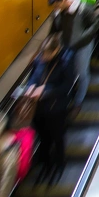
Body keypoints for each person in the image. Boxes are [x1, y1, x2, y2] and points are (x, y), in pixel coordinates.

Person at [26, 34, 76, 185]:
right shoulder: (39, 60)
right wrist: (31, 87)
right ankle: (46, 166)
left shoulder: (65, 60)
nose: (45, 56)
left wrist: (46, 90)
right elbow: (33, 76)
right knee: (43, 139)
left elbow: (67, 86)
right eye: (44, 53)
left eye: (48, 53)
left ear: (56, 51)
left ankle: (60, 164)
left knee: (58, 137)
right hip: (39, 109)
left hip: (56, 109)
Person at [49, 0, 99, 108]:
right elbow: (54, 30)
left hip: (83, 45)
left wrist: (83, 35)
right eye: (54, 6)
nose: (56, 8)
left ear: (65, 0)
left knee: (82, 72)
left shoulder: (82, 8)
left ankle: (78, 101)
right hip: (68, 46)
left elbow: (96, 22)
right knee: (69, 73)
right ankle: (69, 97)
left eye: (57, 5)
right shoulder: (58, 13)